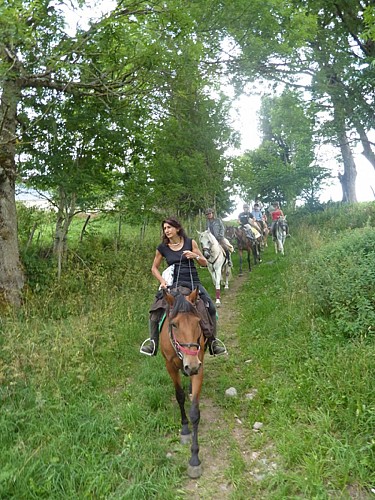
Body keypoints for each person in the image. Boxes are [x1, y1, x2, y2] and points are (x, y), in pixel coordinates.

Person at [140, 217, 227, 356]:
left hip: (193, 282)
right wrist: (162, 281)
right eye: (165, 228)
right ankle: (153, 343)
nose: (166, 231)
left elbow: (204, 263)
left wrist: (195, 256)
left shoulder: (190, 242)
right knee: (155, 310)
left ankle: (213, 342)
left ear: (177, 228)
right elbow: (154, 268)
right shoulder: (162, 247)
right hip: (173, 284)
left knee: (210, 307)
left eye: (169, 227)